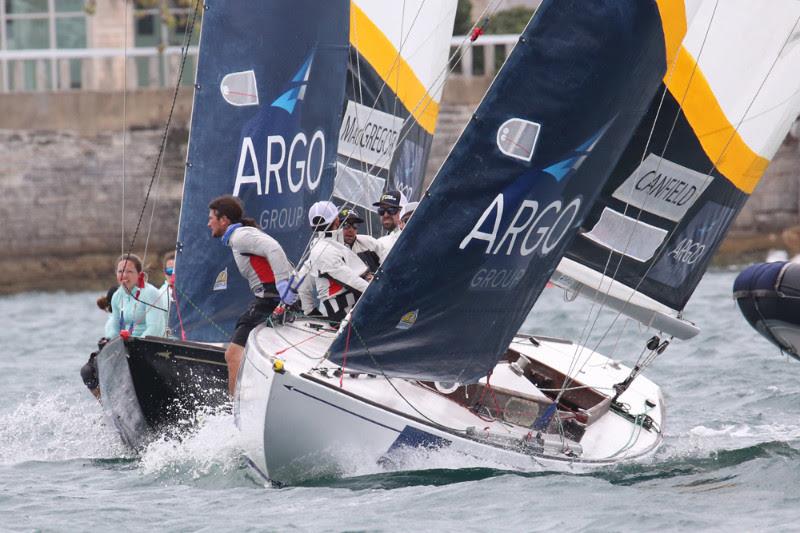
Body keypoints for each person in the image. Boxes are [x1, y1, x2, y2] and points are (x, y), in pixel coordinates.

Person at [208, 195, 297, 395]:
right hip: (269, 300)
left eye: (211, 218)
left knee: (232, 355)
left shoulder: (240, 236)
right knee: (245, 354)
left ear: (224, 220)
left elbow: (273, 248)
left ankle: (235, 412)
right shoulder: (238, 237)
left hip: (271, 301)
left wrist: (283, 283)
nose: (208, 223)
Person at [82, 254, 166, 398]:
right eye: (120, 271)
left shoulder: (150, 293)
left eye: (129, 271)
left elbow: (155, 329)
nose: (124, 275)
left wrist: (134, 343)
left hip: (148, 348)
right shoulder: (117, 296)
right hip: (124, 348)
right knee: (87, 371)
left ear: (139, 274)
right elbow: (114, 327)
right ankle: (107, 406)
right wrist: (110, 341)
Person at [297, 201, 371, 321]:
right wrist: (381, 294)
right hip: (341, 318)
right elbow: (352, 281)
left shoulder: (321, 247)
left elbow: (302, 284)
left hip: (344, 315)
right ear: (337, 221)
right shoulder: (325, 250)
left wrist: (309, 311)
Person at [335, 207, 380, 273]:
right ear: (336, 226)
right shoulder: (330, 249)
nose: (351, 230)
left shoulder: (369, 243)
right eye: (346, 225)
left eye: (355, 225)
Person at [373, 189, 406, 263]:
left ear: (403, 212)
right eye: (381, 210)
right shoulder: (382, 241)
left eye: (391, 210)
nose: (385, 215)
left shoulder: (381, 243)